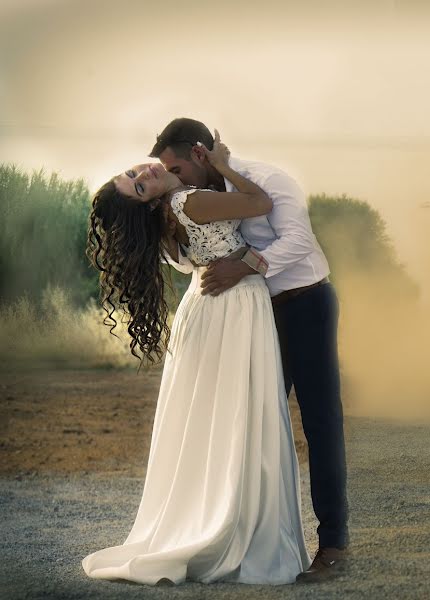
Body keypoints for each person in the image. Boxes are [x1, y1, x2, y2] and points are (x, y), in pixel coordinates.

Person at [82, 135, 311, 585]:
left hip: (204, 307)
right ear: (148, 206)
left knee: (210, 418)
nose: (143, 173)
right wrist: (223, 165)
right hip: (234, 305)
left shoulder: (166, 223)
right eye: (139, 187)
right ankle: (232, 527)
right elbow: (260, 202)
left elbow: (198, 260)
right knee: (240, 415)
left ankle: (202, 514)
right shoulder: (188, 202)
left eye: (134, 174)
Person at [150, 118, 349, 581]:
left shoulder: (270, 179)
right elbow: (194, 261)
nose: (174, 179)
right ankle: (243, 541)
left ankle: (334, 545)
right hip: (252, 318)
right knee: (250, 426)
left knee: (321, 423)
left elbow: (299, 243)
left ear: (200, 154)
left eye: (177, 168)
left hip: (304, 304)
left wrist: (245, 268)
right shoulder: (199, 199)